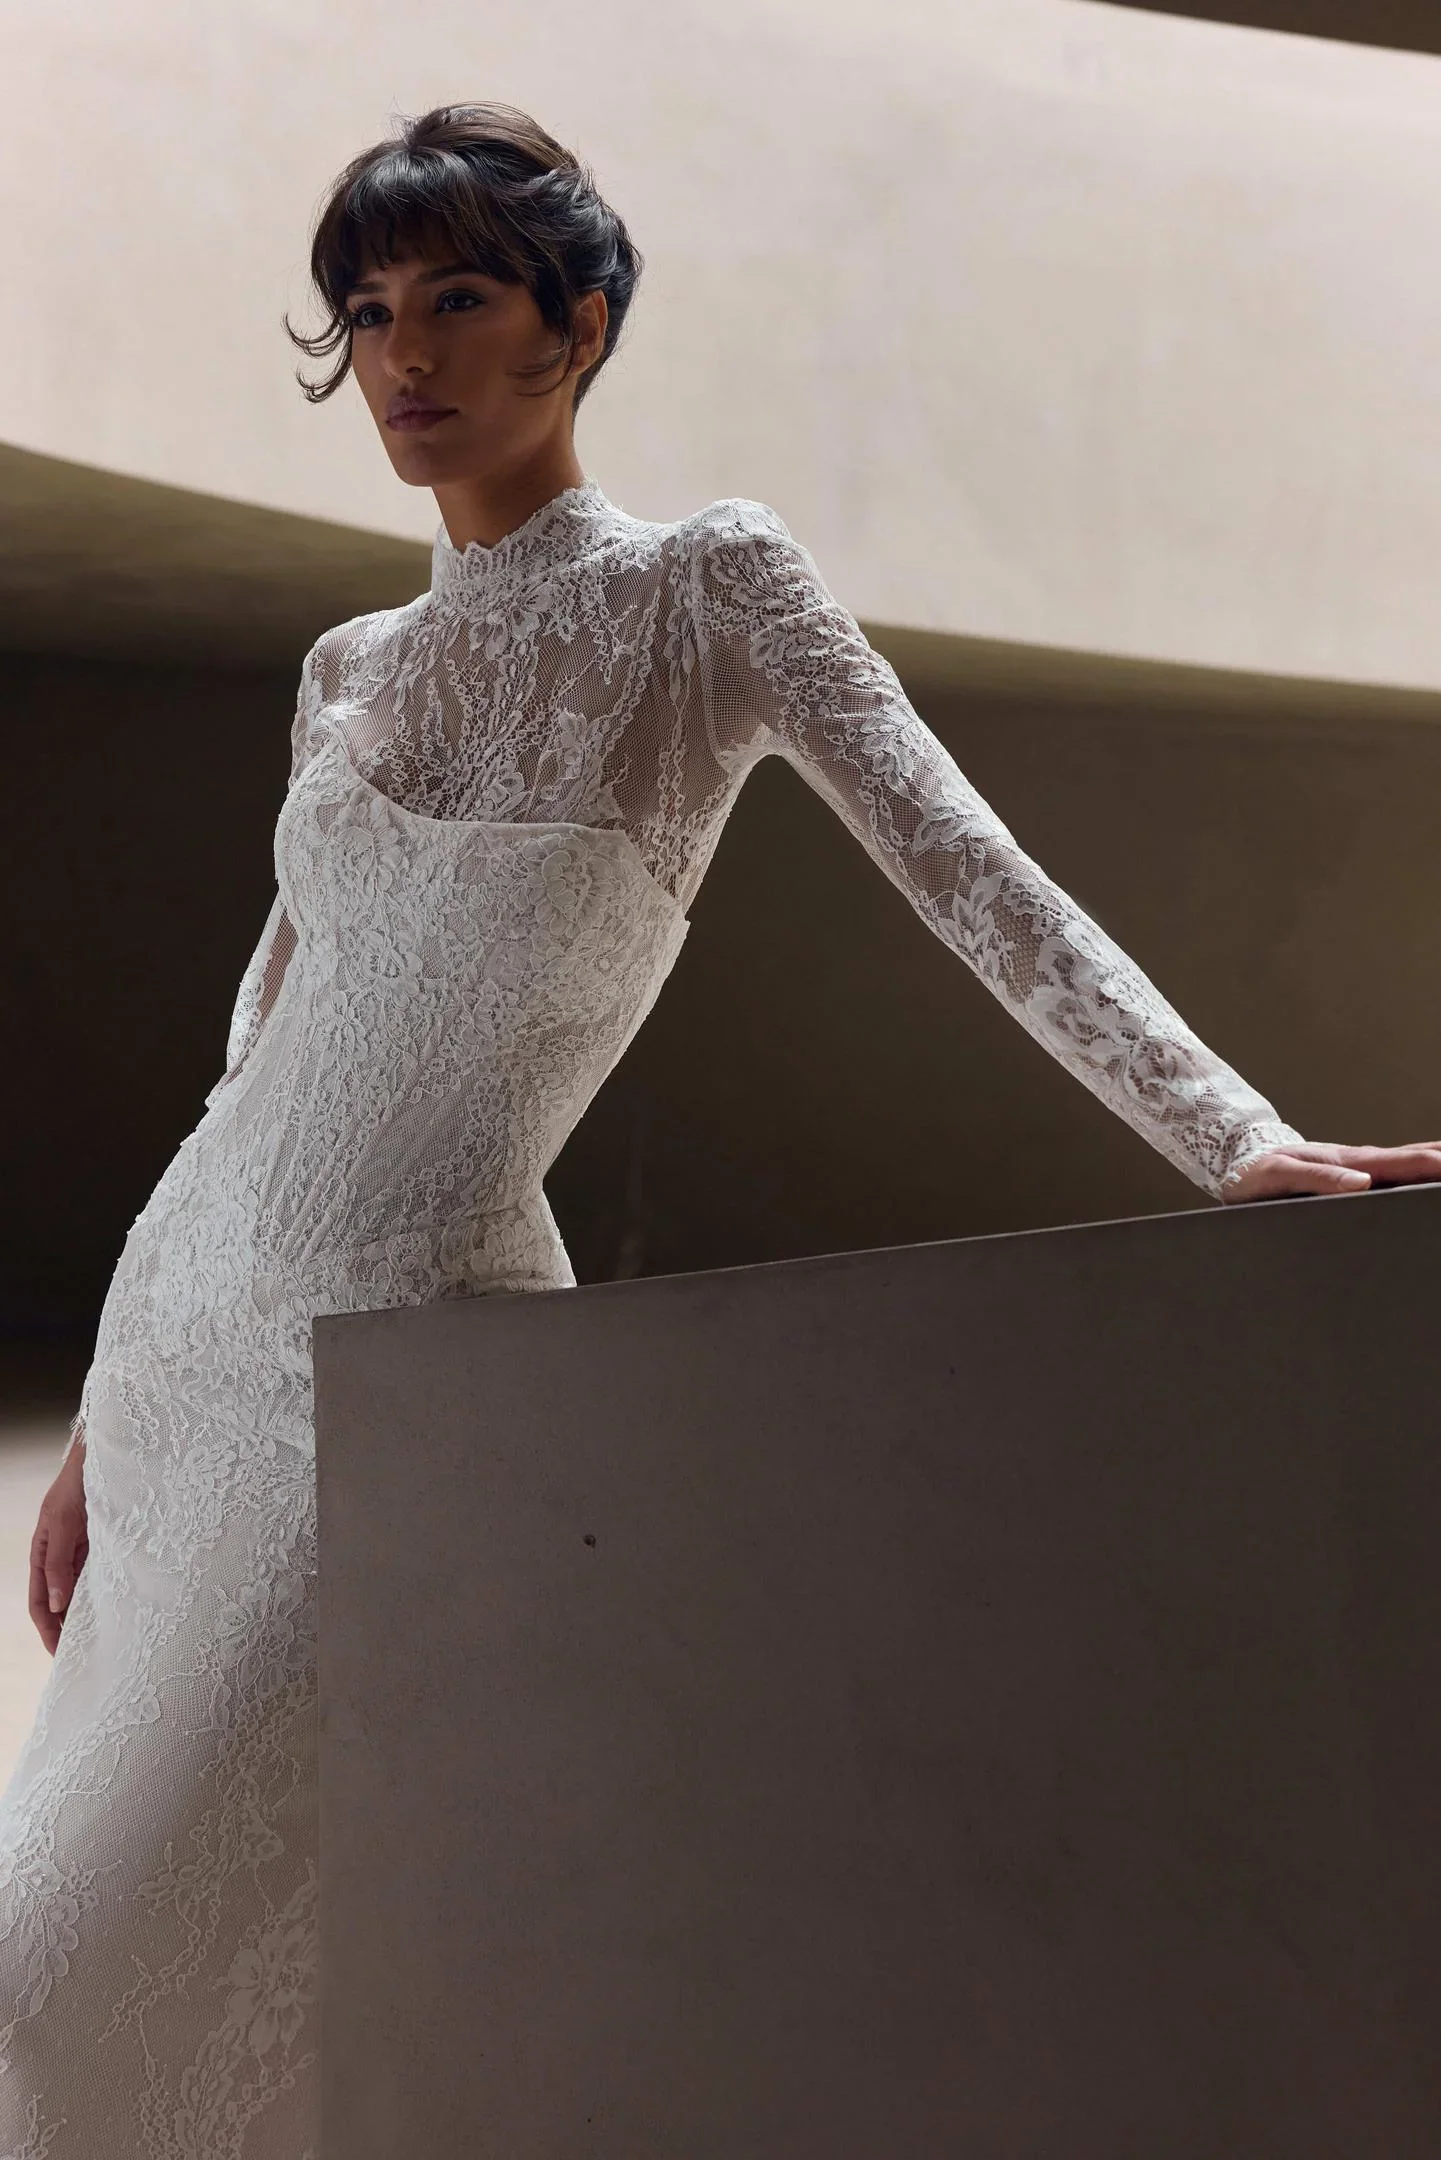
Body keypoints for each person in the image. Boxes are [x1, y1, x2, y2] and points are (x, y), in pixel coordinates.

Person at [3, 98, 1438, 2159]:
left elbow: (973, 872)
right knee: (174, 1963)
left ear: (578, 322)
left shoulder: (706, 593)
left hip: (407, 1367)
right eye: (370, 312)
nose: (401, 355)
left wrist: (1235, 1136)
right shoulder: (344, 666)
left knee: (96, 1954)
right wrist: (101, 1415)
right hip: (183, 1355)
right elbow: (261, 1051)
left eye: (457, 298)